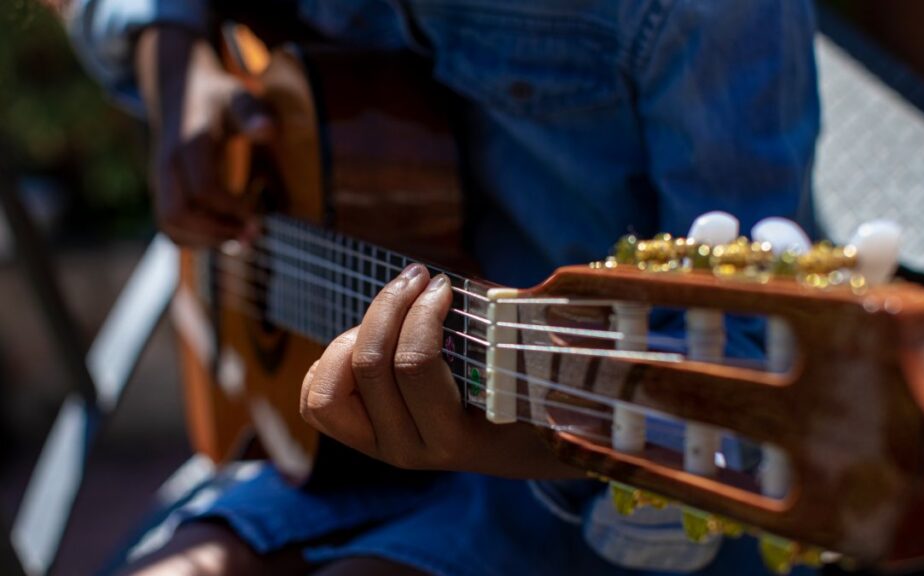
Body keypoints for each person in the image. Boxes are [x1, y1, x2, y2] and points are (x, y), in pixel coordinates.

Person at [67, 1, 820, 574]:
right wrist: (171, 59)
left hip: (568, 488)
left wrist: (521, 436)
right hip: (317, 451)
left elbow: (743, 370)